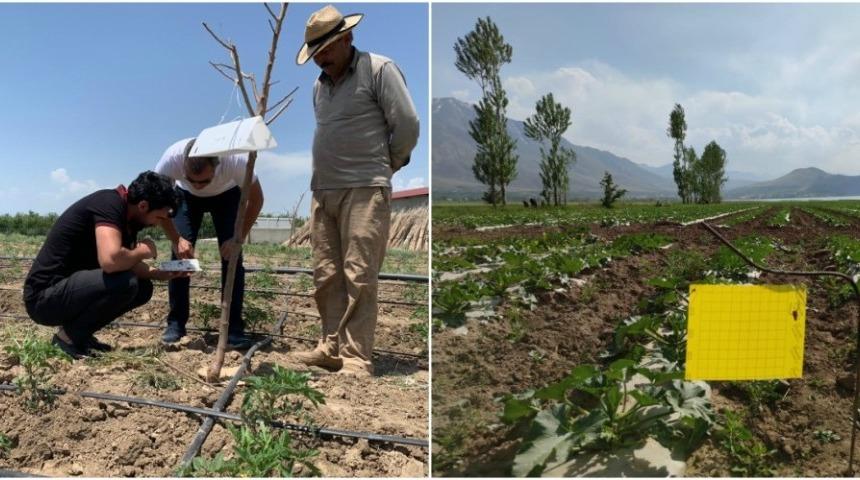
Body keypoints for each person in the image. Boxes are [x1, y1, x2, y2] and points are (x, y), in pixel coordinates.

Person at [293, 4, 420, 377]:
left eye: (326, 51)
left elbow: (408, 124)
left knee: (359, 272)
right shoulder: (319, 86)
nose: (321, 60)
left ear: (347, 38)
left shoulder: (378, 69)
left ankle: (355, 356)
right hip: (324, 189)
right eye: (316, 54)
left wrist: (389, 164)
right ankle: (329, 345)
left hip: (365, 188)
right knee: (326, 273)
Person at [23, 171, 185, 359]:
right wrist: (143, 250)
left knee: (143, 288)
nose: (158, 224)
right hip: (44, 298)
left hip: (66, 292)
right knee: (126, 283)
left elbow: (127, 263)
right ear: (143, 206)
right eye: (160, 218)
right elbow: (111, 261)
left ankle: (79, 334)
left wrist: (161, 273)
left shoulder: (128, 219)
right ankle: (66, 338)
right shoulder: (109, 204)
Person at [154, 137, 264, 349]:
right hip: (184, 197)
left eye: (203, 181)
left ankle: (233, 328)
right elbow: (159, 204)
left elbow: (256, 200)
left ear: (217, 164)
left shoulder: (235, 161)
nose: (198, 186)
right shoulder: (170, 161)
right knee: (180, 257)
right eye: (191, 179)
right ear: (183, 166)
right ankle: (176, 324)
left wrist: (237, 238)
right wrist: (177, 240)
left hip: (227, 195)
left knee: (232, 258)